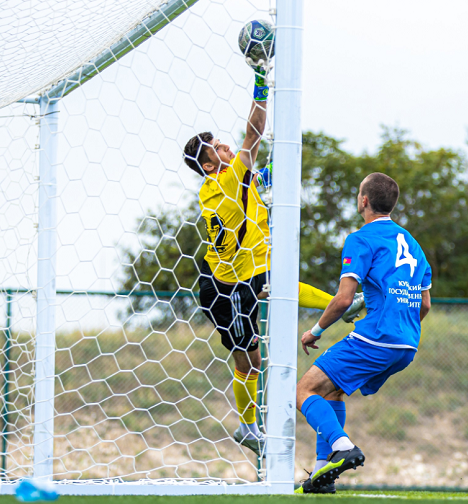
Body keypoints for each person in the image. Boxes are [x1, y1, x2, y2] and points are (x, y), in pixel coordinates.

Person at [182, 64, 364, 458]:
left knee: (276, 291)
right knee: (249, 360)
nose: (227, 145)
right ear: (210, 165)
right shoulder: (225, 181)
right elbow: (253, 134)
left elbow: (260, 178)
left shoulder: (232, 182)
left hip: (249, 275)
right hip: (225, 285)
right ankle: (247, 427)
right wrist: (262, 79)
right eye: (217, 146)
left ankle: (347, 307)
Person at [294, 173, 432, 493]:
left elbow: (343, 299)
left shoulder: (361, 238)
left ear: (364, 201)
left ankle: (342, 448)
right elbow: (424, 305)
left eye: (359, 193)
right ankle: (321, 474)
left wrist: (314, 331)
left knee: (303, 391)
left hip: (377, 337)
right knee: (332, 392)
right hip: (407, 344)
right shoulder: (413, 243)